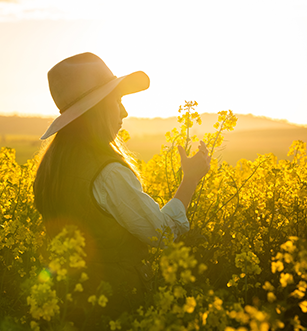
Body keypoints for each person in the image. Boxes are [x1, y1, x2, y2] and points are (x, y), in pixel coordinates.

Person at [33, 52, 210, 326]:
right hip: (115, 311)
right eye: (117, 101)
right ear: (97, 109)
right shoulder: (108, 172)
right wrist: (190, 179)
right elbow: (161, 234)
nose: (124, 112)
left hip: (69, 308)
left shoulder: (52, 167)